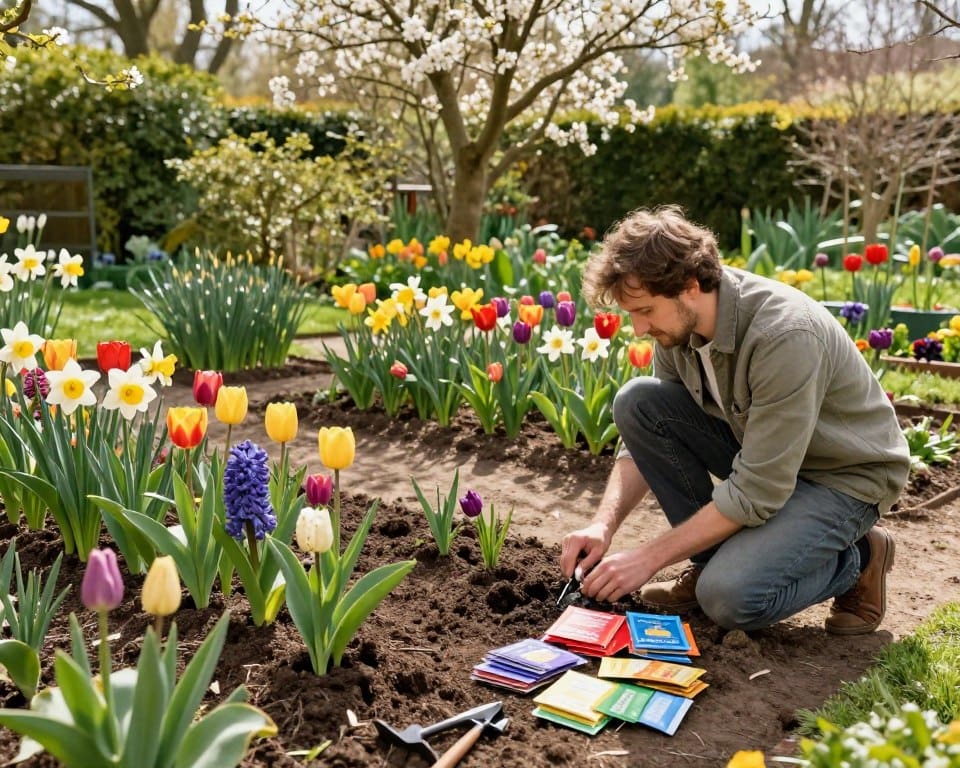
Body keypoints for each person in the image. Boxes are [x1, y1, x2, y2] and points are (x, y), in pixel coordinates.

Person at [560, 206, 910, 634]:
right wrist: (602, 525)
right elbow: (648, 435)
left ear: (689, 286)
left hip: (842, 477)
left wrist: (648, 557)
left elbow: (758, 490)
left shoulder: (784, 335)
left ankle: (858, 559)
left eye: (646, 311)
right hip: (768, 458)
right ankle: (711, 562)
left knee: (727, 599)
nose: (637, 329)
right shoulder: (679, 326)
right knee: (639, 401)